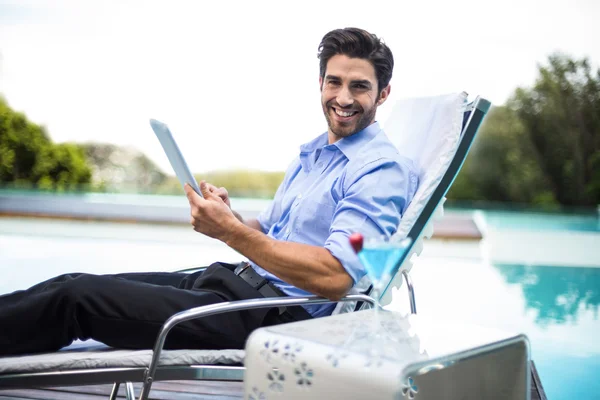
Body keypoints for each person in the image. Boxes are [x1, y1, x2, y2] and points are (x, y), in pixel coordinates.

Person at [0, 27, 418, 356]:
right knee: (72, 283)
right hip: (234, 286)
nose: (343, 98)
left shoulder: (379, 171)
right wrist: (229, 217)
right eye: (334, 82)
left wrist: (231, 233)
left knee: (78, 300)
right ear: (320, 83)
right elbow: (270, 233)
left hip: (271, 318)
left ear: (383, 93)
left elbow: (337, 275)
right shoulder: (317, 153)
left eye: (359, 86)